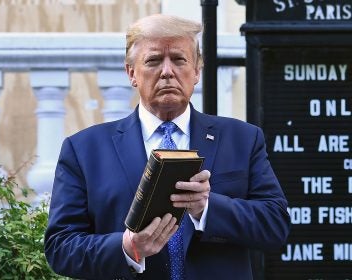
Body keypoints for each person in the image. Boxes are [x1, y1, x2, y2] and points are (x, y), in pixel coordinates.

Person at [44, 14, 290, 280]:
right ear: (131, 73)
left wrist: (207, 208)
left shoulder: (243, 139)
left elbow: (275, 225)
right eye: (153, 60)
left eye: (178, 59)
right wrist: (127, 248)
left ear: (197, 71)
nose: (167, 71)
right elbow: (60, 248)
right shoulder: (84, 150)